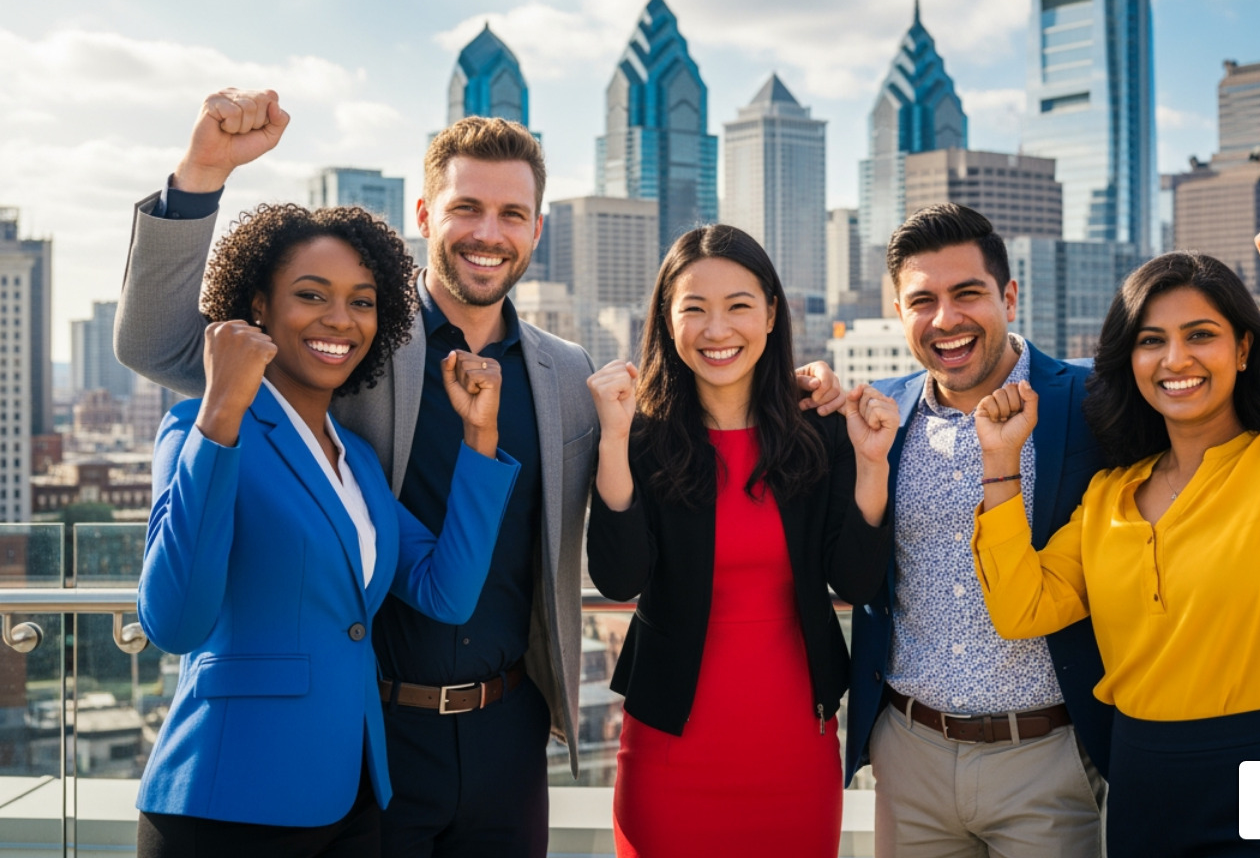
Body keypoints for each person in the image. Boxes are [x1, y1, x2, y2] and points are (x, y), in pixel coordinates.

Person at [115, 89, 848, 858]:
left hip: (510, 734)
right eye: (467, 208)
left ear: (537, 229)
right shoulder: (353, 337)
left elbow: (682, 430)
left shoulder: (567, 376)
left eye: (511, 215)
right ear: (425, 215)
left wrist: (805, 387)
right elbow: (158, 346)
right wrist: (200, 176)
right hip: (372, 735)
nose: (489, 234)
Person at [970, 80, 1260, 857]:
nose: (1175, 359)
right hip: (1142, 782)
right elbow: (1022, 608)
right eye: (1152, 340)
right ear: (1129, 360)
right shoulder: (1110, 496)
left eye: (1200, 335)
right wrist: (1001, 467)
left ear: (1243, 348)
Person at [842, 194, 1260, 856]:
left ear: (1010, 297)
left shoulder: (1095, 398)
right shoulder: (876, 413)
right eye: (922, 301)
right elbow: (849, 565)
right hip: (911, 752)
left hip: (1053, 754)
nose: (946, 318)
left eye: (967, 292)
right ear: (898, 311)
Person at [136, 204, 520, 858]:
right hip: (230, 801)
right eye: (312, 295)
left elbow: (446, 593)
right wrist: (221, 410)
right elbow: (174, 624)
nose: (341, 319)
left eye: (362, 302)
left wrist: (480, 438)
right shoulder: (198, 428)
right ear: (258, 306)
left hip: (351, 797)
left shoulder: (357, 462)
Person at [585, 226, 896, 857]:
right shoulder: (641, 436)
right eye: (694, 308)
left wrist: (871, 467)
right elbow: (618, 580)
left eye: (738, 306)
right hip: (669, 751)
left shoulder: (819, 431)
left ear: (772, 313)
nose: (717, 329)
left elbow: (857, 582)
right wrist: (613, 442)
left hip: (796, 751)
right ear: (666, 320)